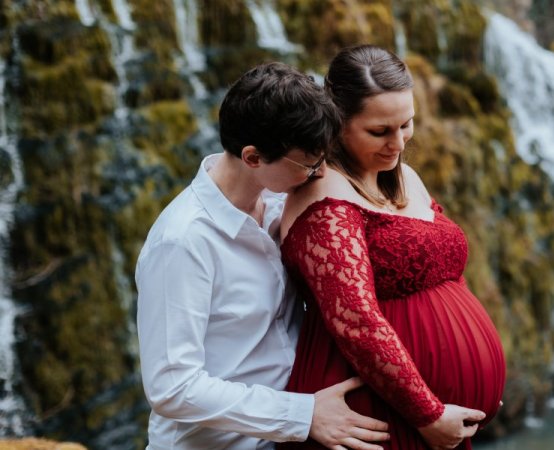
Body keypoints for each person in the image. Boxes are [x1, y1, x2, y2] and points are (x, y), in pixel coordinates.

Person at [135, 62, 390, 450]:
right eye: (309, 164)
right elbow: (172, 386)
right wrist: (302, 415)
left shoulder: (279, 205)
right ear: (252, 158)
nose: (320, 174)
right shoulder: (182, 243)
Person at [279, 45, 506, 450]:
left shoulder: (405, 177)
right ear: (337, 121)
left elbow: (447, 276)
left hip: (434, 414)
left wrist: (477, 379)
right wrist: (428, 413)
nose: (398, 144)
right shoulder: (324, 200)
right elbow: (358, 325)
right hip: (377, 417)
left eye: (407, 125)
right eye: (380, 131)